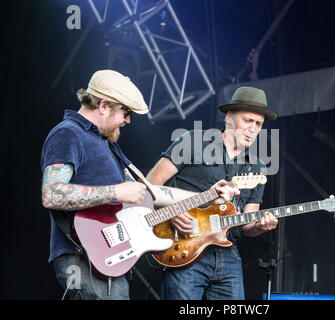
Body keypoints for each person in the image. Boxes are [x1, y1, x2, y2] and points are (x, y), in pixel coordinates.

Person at [40, 70, 239, 300]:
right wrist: (116, 191)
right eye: (125, 112)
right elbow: (51, 194)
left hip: (110, 258)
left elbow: (150, 192)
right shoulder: (67, 133)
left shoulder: (105, 142)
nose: (128, 120)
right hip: (82, 255)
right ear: (103, 106)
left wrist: (208, 196)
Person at [147, 86, 279, 300]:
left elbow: (247, 226)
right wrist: (172, 213)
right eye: (248, 121)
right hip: (185, 244)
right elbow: (152, 183)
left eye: (258, 124)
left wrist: (261, 226)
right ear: (229, 118)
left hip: (228, 254)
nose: (253, 129)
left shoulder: (257, 167)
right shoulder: (192, 141)